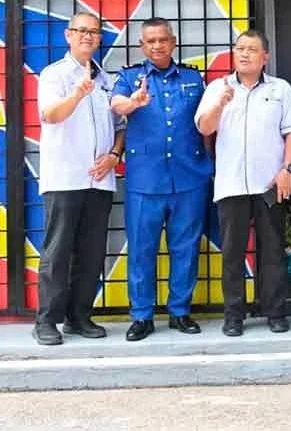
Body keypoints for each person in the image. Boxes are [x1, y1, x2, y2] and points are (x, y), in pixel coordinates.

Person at [195, 29, 291, 336]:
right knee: (232, 253)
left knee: (272, 250)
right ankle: (234, 315)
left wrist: (288, 169)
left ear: (264, 56)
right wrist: (220, 104)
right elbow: (204, 127)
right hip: (231, 184)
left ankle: (275, 312)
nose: (244, 54)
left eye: (251, 49)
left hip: (270, 183)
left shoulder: (280, 89)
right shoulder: (219, 87)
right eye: (239, 48)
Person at [111, 17, 213, 341]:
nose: (157, 45)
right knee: (142, 250)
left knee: (186, 248)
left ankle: (180, 311)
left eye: (162, 39)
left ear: (173, 42)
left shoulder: (193, 78)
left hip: (189, 178)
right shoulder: (130, 78)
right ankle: (142, 315)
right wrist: (134, 103)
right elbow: (117, 105)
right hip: (145, 181)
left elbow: (208, 123)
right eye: (150, 41)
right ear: (142, 46)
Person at [33, 12, 125, 346]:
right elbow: (49, 114)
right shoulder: (54, 74)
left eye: (94, 32)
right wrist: (77, 93)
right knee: (57, 252)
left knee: (90, 252)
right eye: (81, 31)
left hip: (99, 180)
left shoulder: (107, 79)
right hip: (65, 177)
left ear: (100, 38)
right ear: (68, 35)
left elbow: (120, 128)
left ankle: (79, 316)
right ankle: (47, 320)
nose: (88, 36)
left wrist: (114, 155)